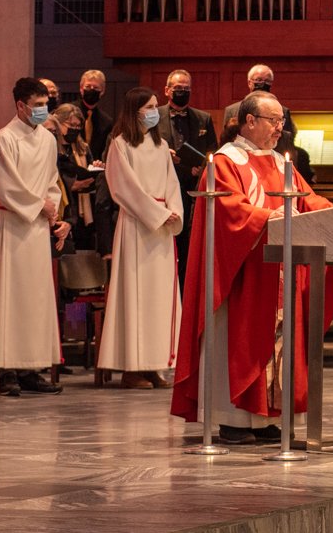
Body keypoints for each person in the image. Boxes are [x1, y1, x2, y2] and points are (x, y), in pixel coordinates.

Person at [171, 91, 333, 445]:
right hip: (241, 275)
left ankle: (266, 419)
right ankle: (233, 418)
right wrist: (267, 218)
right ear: (249, 121)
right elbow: (229, 210)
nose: (281, 128)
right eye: (273, 121)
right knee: (242, 340)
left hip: (278, 273)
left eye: (281, 121)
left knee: (279, 341)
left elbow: (306, 199)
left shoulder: (280, 163)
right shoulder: (224, 162)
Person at [0, 79, 69, 396]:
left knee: (36, 298)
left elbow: (52, 181)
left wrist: (54, 209)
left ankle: (32, 367)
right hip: (12, 225)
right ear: (20, 105)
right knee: (11, 297)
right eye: (38, 104)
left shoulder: (46, 139)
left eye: (46, 104)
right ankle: (7, 371)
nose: (43, 110)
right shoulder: (2, 141)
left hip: (37, 228)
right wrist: (38, 205)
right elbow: (4, 185)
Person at [99, 88, 184, 389]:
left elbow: (171, 183)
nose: (154, 112)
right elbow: (123, 187)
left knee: (159, 298)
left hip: (160, 229)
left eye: (154, 107)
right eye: (148, 107)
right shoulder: (120, 145)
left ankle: (154, 364)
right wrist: (156, 213)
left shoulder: (160, 145)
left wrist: (173, 210)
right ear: (134, 111)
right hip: (137, 224)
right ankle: (132, 368)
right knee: (137, 296)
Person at [156, 68, 217, 278]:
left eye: (186, 89)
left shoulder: (203, 118)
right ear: (167, 90)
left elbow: (212, 151)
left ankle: (185, 288)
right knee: (166, 242)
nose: (182, 92)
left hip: (193, 188)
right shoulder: (154, 117)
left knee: (189, 245)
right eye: (178, 88)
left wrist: (202, 167)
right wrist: (164, 155)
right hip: (163, 188)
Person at [52, 103, 100, 251]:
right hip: (63, 208)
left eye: (78, 126)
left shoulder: (82, 147)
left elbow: (89, 170)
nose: (75, 129)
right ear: (58, 123)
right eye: (71, 124)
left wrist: (96, 167)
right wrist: (71, 184)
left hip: (84, 209)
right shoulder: (51, 146)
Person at [222, 63, 276, 128]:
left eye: (267, 80)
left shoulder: (282, 111)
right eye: (258, 80)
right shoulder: (232, 111)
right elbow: (228, 137)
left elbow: (286, 137)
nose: (263, 83)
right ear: (249, 83)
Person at [79, 69, 114, 160]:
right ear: (81, 89)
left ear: (102, 91)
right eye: (88, 86)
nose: (91, 90)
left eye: (96, 88)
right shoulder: (69, 113)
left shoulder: (107, 122)